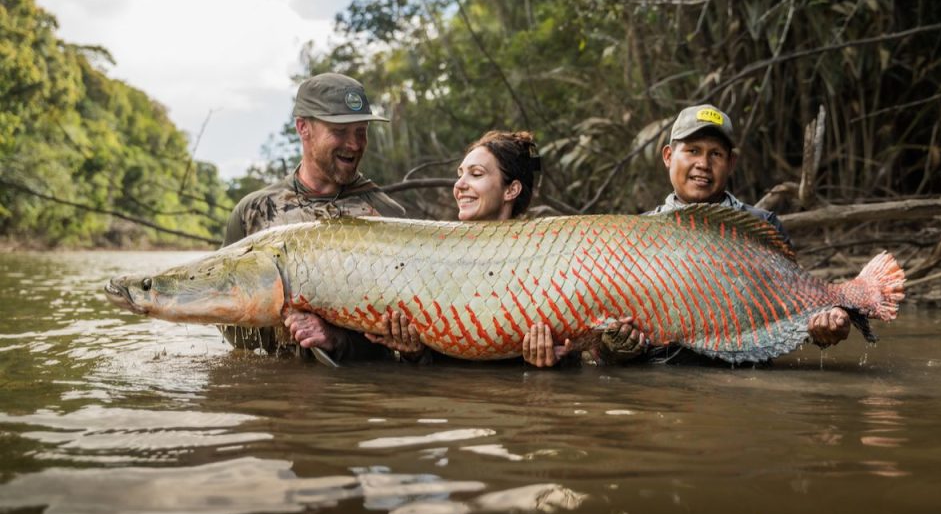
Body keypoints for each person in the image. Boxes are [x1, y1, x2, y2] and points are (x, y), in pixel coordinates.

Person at [370, 130, 648, 367]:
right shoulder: (435, 251)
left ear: (511, 190)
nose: (459, 185)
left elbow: (577, 350)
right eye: (460, 174)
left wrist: (554, 362)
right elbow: (433, 362)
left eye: (475, 174)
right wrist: (413, 353)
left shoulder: (551, 254)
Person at [221, 72, 415, 363]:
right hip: (278, 393)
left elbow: (396, 340)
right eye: (340, 132)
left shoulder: (388, 216)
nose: (354, 144)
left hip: (357, 393)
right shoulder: (253, 213)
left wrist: (336, 339)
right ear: (303, 128)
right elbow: (232, 329)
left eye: (360, 132)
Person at [647, 103, 851, 352]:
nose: (703, 163)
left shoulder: (763, 226)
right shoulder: (640, 231)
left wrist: (824, 324)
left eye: (716, 154)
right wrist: (613, 346)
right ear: (668, 156)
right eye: (692, 150)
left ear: (731, 162)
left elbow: (794, 305)